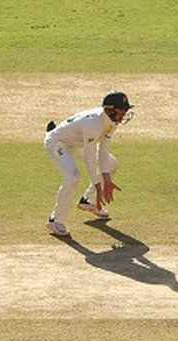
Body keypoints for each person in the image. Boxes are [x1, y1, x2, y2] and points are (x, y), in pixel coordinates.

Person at [43, 92, 133, 237]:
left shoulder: (112, 122)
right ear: (110, 110)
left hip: (78, 144)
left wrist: (107, 180)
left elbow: (103, 151)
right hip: (58, 143)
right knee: (73, 177)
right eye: (122, 111)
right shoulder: (93, 124)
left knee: (111, 164)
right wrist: (98, 186)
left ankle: (88, 201)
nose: (124, 115)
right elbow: (90, 159)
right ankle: (55, 220)